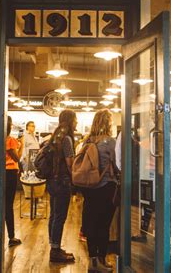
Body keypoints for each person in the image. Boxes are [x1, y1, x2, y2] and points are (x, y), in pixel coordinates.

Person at [81, 110, 118, 272]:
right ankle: (102, 260)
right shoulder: (111, 142)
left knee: (91, 222)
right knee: (103, 225)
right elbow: (118, 165)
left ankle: (93, 261)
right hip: (106, 186)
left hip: (89, 187)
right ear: (108, 123)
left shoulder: (87, 141)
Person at [47, 110, 77, 263]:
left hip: (52, 181)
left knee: (54, 215)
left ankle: (54, 246)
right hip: (63, 182)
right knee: (60, 217)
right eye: (75, 119)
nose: (77, 122)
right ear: (71, 120)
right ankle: (55, 251)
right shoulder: (67, 139)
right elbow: (70, 163)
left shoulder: (56, 136)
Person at [5, 116, 23, 247]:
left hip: (0, 171)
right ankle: (11, 237)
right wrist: (20, 146)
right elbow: (17, 158)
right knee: (8, 205)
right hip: (10, 173)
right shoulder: (10, 140)